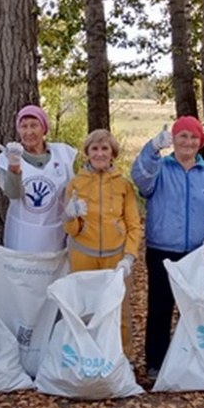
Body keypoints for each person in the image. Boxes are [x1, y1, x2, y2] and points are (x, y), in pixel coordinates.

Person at [131, 116, 204, 379]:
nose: (188, 142)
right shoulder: (160, 169)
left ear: (202, 141)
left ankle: (197, 361)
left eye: (193, 137)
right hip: (162, 251)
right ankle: (156, 363)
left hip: (200, 254)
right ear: (173, 139)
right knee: (160, 308)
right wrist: (152, 148)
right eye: (182, 136)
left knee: (197, 310)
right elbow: (140, 178)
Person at [63, 128, 142, 349]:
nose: (100, 153)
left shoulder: (123, 185)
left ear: (112, 152)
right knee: (83, 309)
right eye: (94, 148)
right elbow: (71, 229)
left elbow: (134, 225)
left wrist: (129, 257)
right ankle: (84, 355)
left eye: (104, 148)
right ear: (87, 152)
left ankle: (123, 357)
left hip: (115, 258)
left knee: (118, 309)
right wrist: (70, 215)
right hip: (82, 256)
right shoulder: (75, 184)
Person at [0, 105, 78, 252]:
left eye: (34, 125)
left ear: (43, 128)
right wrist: (14, 166)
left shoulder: (63, 155)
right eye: (24, 126)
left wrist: (73, 210)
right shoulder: (9, 156)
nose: (29, 132)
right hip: (21, 236)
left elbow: (72, 191)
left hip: (54, 236)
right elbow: (13, 194)